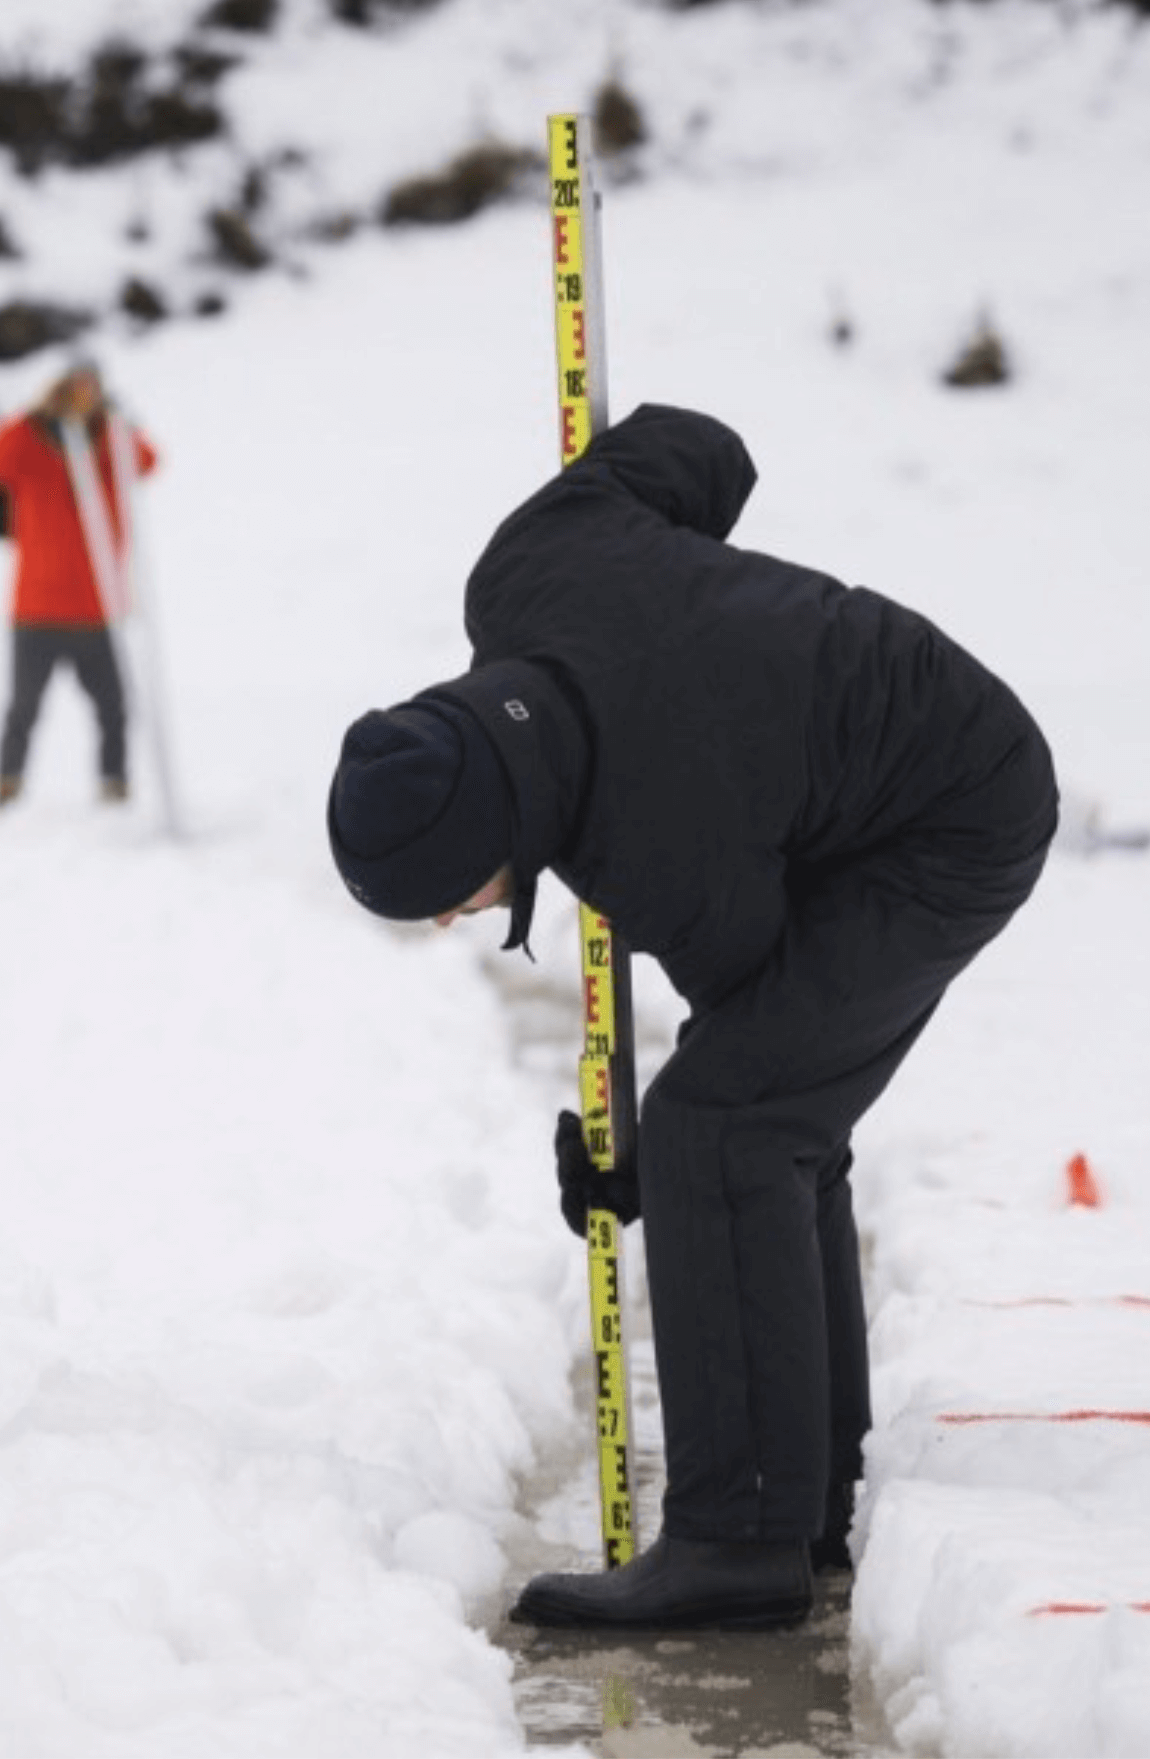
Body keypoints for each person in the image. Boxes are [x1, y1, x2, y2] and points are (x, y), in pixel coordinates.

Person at [326, 403, 1056, 1631]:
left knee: (727, 1127)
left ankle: (738, 1538)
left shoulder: (654, 838)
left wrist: (642, 1171)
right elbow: (699, 447)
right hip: (862, 760)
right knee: (752, 1119)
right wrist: (684, 608)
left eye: (449, 897)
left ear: (493, 834)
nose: (451, 919)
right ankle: (809, 1495)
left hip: (953, 813)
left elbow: (741, 1037)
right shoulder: (524, 568)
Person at [0, 360, 158, 807]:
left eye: (90, 390)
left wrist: (116, 423)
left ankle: (114, 784)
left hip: (97, 609)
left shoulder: (109, 446)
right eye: (73, 389)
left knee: (114, 707)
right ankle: (7, 785)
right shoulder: (31, 446)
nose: (82, 398)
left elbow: (148, 461)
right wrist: (39, 414)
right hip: (37, 610)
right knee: (24, 707)